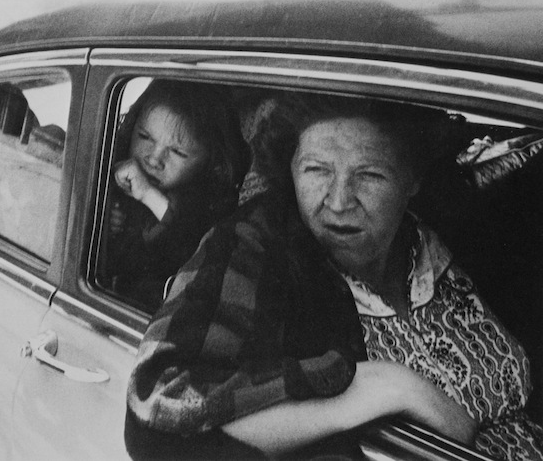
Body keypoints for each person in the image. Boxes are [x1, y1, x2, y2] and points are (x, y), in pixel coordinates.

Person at [125, 93, 543, 459]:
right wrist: (381, 386)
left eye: (370, 175)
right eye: (316, 170)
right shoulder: (258, 244)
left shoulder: (441, 226)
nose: (339, 201)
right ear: (288, 168)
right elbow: (160, 410)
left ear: (413, 180)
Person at [105, 80, 250, 313]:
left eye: (177, 152)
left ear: (210, 161)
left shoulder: (207, 204)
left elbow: (186, 241)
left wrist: (147, 194)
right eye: (144, 137)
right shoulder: (111, 167)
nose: (154, 158)